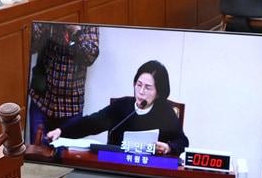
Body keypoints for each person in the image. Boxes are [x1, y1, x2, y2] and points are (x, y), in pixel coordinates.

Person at [45, 60, 189, 156]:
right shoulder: (122, 106)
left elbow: (182, 141)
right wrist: (61, 130)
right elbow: (90, 123)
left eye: (148, 87)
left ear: (159, 92)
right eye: (138, 85)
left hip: (148, 170)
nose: (141, 91)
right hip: (117, 167)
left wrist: (169, 147)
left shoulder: (165, 112)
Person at [28, 23, 100, 142]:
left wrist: (76, 32)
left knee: (66, 157)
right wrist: (46, 21)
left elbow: (90, 57)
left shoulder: (87, 18)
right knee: (37, 154)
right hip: (41, 101)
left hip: (71, 106)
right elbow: (31, 46)